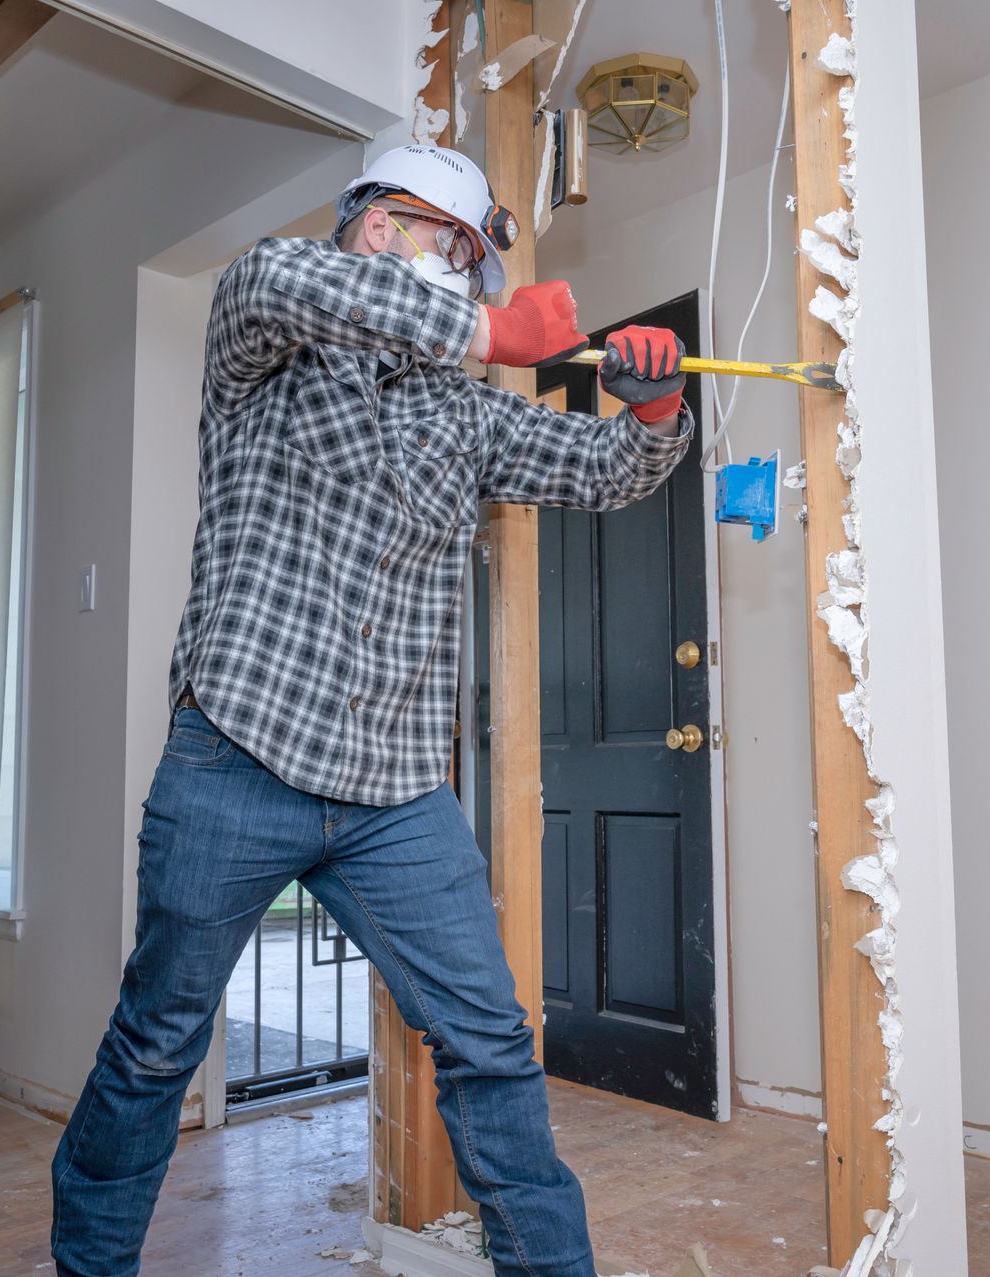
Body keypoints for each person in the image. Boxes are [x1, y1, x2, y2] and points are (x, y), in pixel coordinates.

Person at [50, 144, 693, 1277]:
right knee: (157, 1045)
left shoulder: (463, 412)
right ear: (381, 226)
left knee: (490, 1042)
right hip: (236, 753)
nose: (464, 276)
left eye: (472, 265)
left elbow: (601, 471)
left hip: (397, 787)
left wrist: (653, 412)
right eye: (455, 248)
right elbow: (282, 283)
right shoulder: (267, 333)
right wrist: (495, 333)